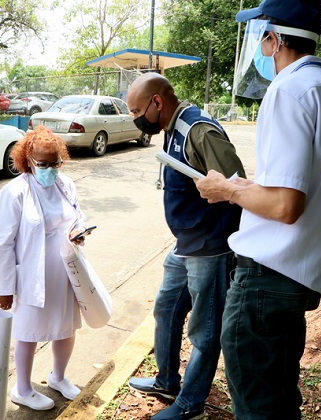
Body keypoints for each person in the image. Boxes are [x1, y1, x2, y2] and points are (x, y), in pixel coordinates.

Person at [195, 0, 321, 418]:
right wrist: (250, 186)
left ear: (273, 39)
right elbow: (317, 186)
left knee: (258, 409)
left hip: (264, 285)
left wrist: (226, 190)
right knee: (278, 403)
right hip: (294, 282)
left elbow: (286, 205)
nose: (258, 47)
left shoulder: (288, 90)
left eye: (260, 37)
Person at [126, 73, 244, 420]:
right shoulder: (173, 128)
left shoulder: (198, 130)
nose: (135, 118)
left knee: (205, 330)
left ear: (157, 102)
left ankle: (190, 405)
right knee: (166, 307)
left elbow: (238, 186)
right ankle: (167, 380)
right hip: (186, 244)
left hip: (210, 245)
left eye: (136, 110)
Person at [0, 125, 89, 411]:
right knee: (29, 332)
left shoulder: (65, 184)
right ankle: (22, 388)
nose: (50, 169)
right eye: (42, 164)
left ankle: (58, 377)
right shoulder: (15, 192)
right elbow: (3, 244)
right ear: (27, 161)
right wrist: (6, 288)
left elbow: (77, 214)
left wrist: (81, 230)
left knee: (66, 327)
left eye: (55, 163)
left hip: (65, 272)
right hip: (32, 277)